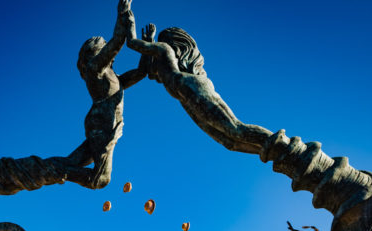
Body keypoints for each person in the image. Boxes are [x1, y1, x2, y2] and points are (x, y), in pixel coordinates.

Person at [124, 9, 272, 156]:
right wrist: (149, 41)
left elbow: (132, 43)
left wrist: (129, 21)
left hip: (190, 86)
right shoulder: (161, 59)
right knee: (229, 142)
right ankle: (272, 154)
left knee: (235, 129)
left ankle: (280, 144)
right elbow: (146, 72)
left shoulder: (164, 49)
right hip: (184, 96)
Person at [67, 0, 149, 189]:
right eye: (103, 48)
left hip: (106, 123)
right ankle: (55, 171)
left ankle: (50, 169)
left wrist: (148, 43)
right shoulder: (95, 69)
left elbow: (141, 72)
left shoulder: (115, 78)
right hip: (101, 122)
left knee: (73, 161)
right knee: (101, 179)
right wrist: (123, 12)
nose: (107, 52)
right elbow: (118, 41)